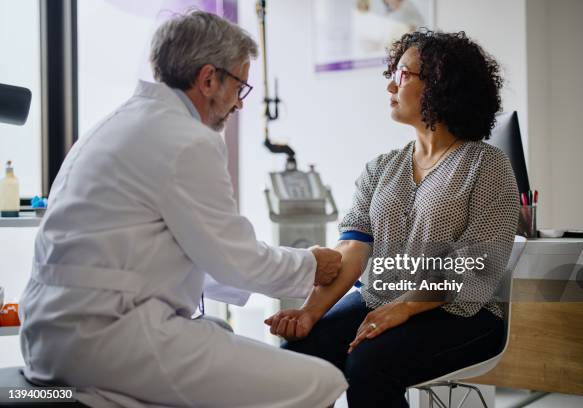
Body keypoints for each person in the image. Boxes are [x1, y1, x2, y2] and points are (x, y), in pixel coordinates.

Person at [19, 11, 348, 408]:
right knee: (322, 381)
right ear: (209, 79)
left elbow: (189, 257)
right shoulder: (187, 140)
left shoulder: (118, 123)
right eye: (240, 87)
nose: (239, 106)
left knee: (215, 332)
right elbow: (237, 261)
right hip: (105, 338)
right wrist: (313, 265)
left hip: (52, 333)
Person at [265, 30, 520, 408]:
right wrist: (309, 312)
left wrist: (403, 307)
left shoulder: (486, 165)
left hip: (463, 312)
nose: (390, 85)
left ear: (439, 84)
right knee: (299, 351)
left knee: (369, 363)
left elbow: (476, 265)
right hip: (379, 298)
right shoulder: (381, 168)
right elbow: (352, 249)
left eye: (402, 74)